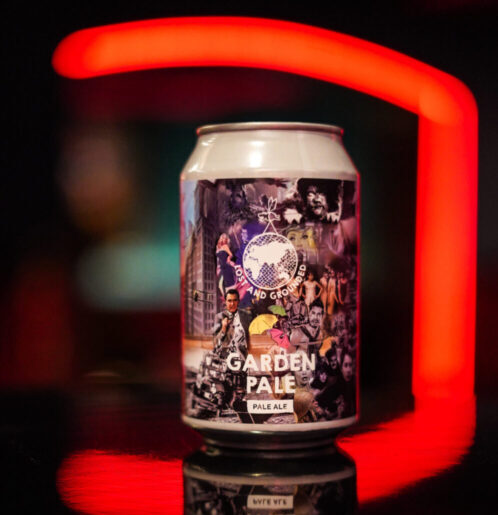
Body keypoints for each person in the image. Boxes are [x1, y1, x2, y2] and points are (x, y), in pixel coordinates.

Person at [213, 289, 251, 360]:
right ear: (225, 302)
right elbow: (215, 342)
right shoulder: (219, 317)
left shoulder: (244, 315)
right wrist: (223, 328)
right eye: (229, 301)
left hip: (242, 357)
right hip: (225, 358)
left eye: (235, 300)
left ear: (238, 301)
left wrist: (248, 350)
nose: (232, 304)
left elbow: (247, 336)